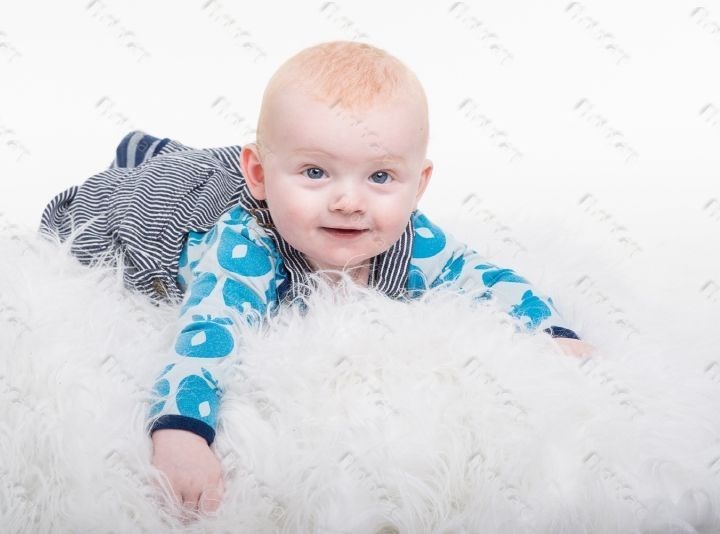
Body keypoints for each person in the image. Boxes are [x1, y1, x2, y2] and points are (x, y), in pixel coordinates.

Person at [38, 40, 594, 519]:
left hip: (251, 173)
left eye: (381, 175)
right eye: (316, 172)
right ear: (260, 176)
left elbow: (481, 276)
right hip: (165, 211)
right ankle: (142, 164)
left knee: (210, 162)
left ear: (418, 185)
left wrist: (550, 330)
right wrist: (182, 431)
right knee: (134, 194)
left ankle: (161, 151)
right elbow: (208, 331)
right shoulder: (244, 249)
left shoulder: (405, 234)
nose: (349, 200)